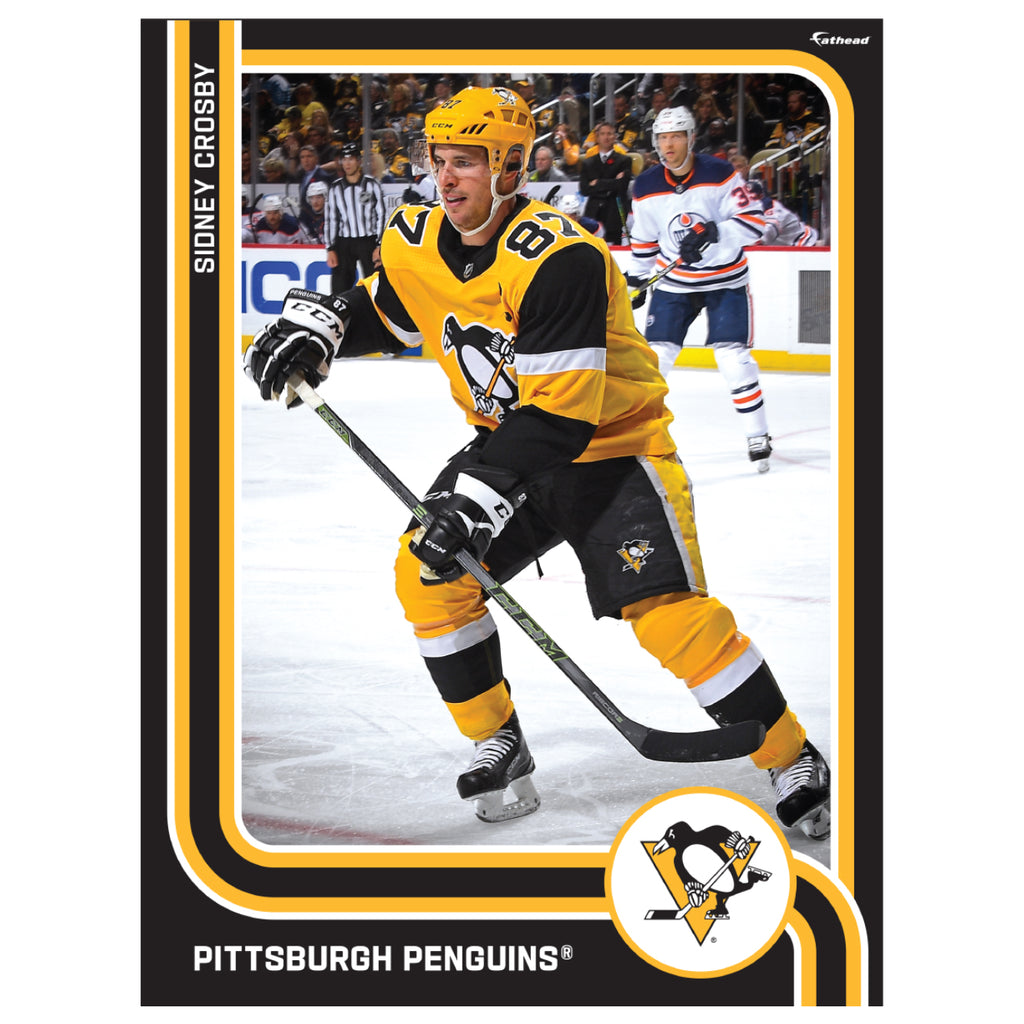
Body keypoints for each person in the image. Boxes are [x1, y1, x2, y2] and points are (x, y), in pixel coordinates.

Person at [242, 85, 831, 840]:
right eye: (438, 159)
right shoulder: (416, 234)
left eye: (466, 162)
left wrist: (473, 501)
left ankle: (791, 757)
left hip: (613, 450)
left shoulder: (560, 258)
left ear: (512, 169)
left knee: (668, 616)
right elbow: (391, 305)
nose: (445, 177)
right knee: (428, 580)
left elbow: (561, 416)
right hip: (512, 443)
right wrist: (326, 330)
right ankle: (499, 741)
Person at [625, 105, 775, 470]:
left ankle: (757, 435)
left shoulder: (720, 173)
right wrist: (637, 278)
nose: (669, 145)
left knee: (733, 360)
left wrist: (714, 232)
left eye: (676, 136)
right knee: (654, 361)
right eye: (663, 137)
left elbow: (755, 222)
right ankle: (637, 439)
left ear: (691, 138)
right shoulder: (645, 186)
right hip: (675, 284)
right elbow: (644, 239)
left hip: (726, 280)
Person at [324, 142, 386, 293]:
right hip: (344, 242)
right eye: (344, 160)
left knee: (375, 285)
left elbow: (382, 214)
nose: (347, 163)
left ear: (358, 161)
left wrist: (379, 245)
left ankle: (375, 309)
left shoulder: (372, 185)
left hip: (368, 241)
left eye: (351, 159)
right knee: (340, 288)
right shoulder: (335, 188)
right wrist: (330, 248)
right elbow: (331, 219)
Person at [578, 121, 632, 244]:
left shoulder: (624, 160)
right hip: (593, 213)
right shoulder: (588, 163)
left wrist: (597, 183)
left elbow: (622, 186)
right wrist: (612, 182)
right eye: (602, 134)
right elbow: (584, 189)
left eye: (609, 134)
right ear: (597, 137)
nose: (606, 137)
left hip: (614, 211)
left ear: (615, 137)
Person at [746, 178, 820, 246]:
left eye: (753, 199)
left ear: (761, 196)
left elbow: (765, 237)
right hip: (785, 247)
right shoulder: (752, 211)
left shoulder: (774, 210)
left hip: (804, 243)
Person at [298, 180, 328, 244]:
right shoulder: (306, 217)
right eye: (311, 198)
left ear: (326, 198)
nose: (315, 202)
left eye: (318, 197)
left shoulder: (333, 217)